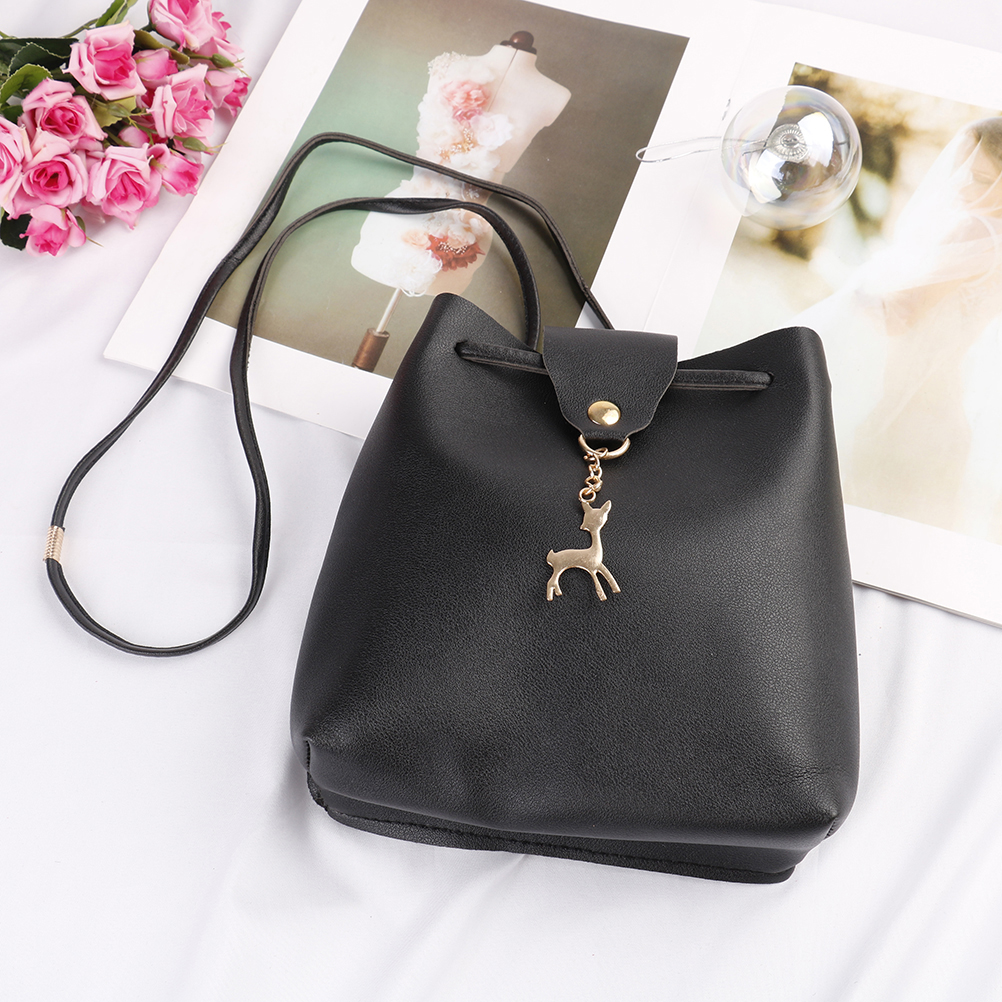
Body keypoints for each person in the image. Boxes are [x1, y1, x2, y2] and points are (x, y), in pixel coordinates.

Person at [796, 116, 1002, 541]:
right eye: (962, 170)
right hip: (948, 407)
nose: (961, 185)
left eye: (980, 179)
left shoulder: (973, 230)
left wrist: (844, 281)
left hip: (910, 408)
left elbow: (898, 315)